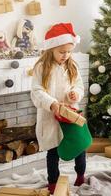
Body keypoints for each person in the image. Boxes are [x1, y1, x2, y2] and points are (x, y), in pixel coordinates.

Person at [31, 23, 85, 194]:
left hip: (70, 115)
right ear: (51, 49)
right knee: (53, 152)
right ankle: (53, 182)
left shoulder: (73, 66)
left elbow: (79, 86)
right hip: (50, 117)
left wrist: (75, 94)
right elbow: (37, 91)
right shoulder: (41, 68)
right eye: (62, 52)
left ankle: (80, 175)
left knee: (79, 146)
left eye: (69, 51)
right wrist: (52, 103)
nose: (66, 55)